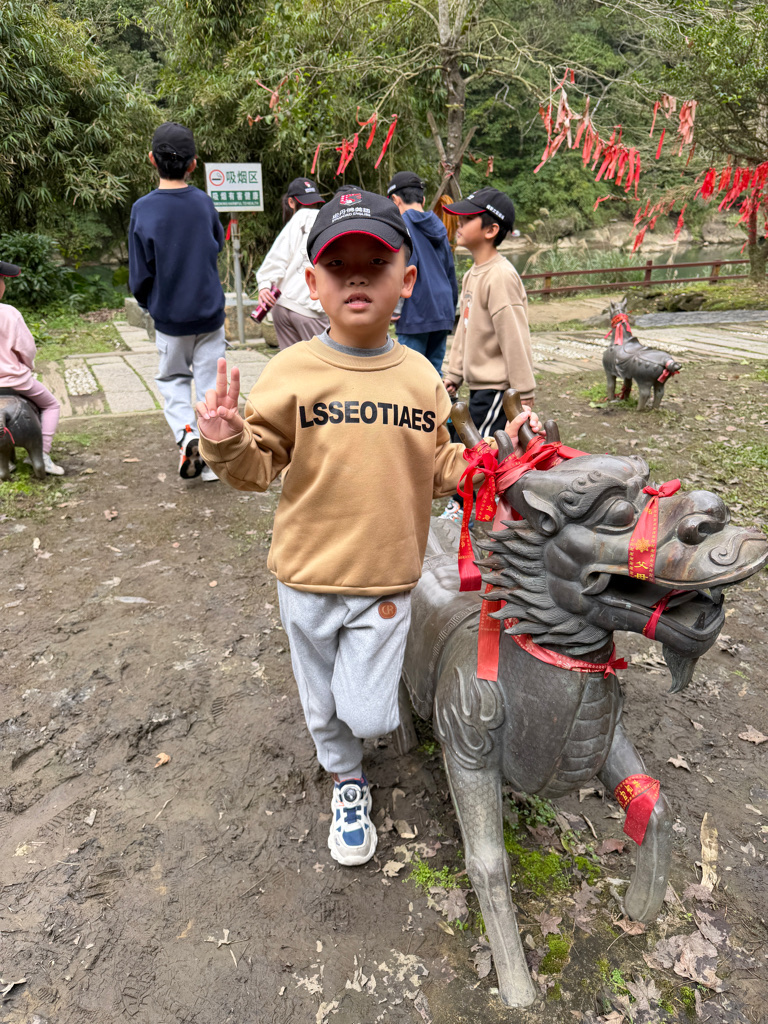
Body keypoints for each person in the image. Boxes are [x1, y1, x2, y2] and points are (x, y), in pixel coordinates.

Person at [195, 189, 540, 867]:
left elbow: (440, 464)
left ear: (405, 280)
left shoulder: (419, 377)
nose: (356, 277)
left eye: (375, 264)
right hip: (305, 577)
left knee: (371, 714)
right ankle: (346, 781)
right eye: (338, 264)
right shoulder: (292, 371)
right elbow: (255, 469)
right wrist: (225, 439)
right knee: (322, 705)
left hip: (385, 577)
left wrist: (492, 459)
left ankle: (361, 733)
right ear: (313, 281)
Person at [129, 121, 225, 483]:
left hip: (170, 317)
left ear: (151, 159)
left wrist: (149, 303)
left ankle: (187, 437)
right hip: (210, 315)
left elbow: (140, 272)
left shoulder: (143, 209)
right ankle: (211, 461)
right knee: (210, 387)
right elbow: (217, 245)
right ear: (193, 164)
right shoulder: (203, 202)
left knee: (173, 380)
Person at [440, 186, 536, 520]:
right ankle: (475, 505)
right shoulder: (472, 275)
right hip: (478, 385)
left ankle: (461, 507)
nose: (459, 224)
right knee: (470, 442)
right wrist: (453, 374)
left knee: (477, 447)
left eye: (467, 219)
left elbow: (514, 336)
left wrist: (524, 391)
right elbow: (464, 331)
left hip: (497, 389)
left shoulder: (501, 276)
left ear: (491, 230)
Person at [386, 171, 458, 375]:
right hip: (442, 309)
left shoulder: (401, 226)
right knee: (434, 375)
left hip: (416, 310)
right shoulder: (439, 225)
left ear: (395, 200)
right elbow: (449, 271)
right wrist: (450, 309)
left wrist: (395, 309)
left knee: (411, 375)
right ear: (423, 200)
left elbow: (402, 270)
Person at [0, 259, 64, 475]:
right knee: (52, 405)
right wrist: (28, 365)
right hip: (15, 381)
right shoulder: (9, 313)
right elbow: (27, 349)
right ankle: (43, 453)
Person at [254, 177, 329, 350]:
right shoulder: (325, 218)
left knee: (291, 362)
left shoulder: (297, 219)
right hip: (309, 309)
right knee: (323, 361)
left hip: (281, 305)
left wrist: (265, 284)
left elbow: (278, 256)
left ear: (291, 202)